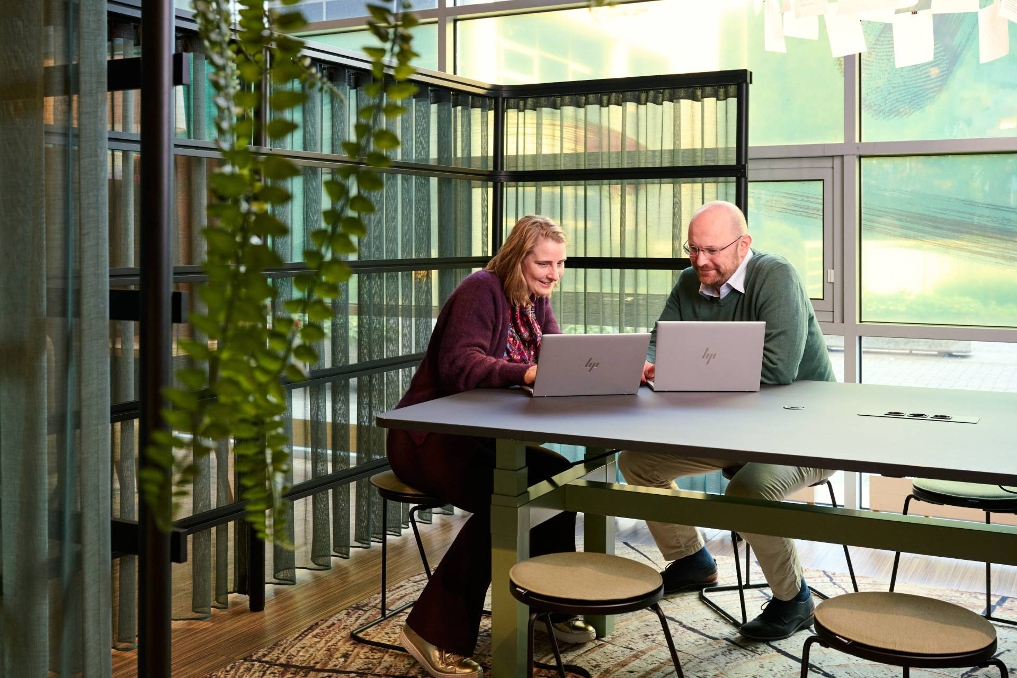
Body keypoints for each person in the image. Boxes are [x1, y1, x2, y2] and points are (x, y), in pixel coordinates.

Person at [387, 215, 596, 678]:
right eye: (544, 263)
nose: (554, 274)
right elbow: (460, 365)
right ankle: (431, 632)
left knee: (557, 478)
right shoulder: (481, 289)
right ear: (517, 258)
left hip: (478, 436)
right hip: (427, 437)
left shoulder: (535, 301)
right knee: (509, 503)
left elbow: (556, 357)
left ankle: (549, 605)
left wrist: (612, 368)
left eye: (561, 264)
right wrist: (521, 373)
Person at [618, 200, 836, 642]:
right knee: (637, 463)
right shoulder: (688, 281)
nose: (701, 261)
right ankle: (691, 560)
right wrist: (647, 361)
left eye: (712, 250)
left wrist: (682, 373)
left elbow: (776, 372)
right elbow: (662, 343)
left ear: (744, 244)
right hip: (728, 427)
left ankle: (794, 599)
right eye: (693, 249)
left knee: (747, 492)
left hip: (804, 432)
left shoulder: (775, 276)